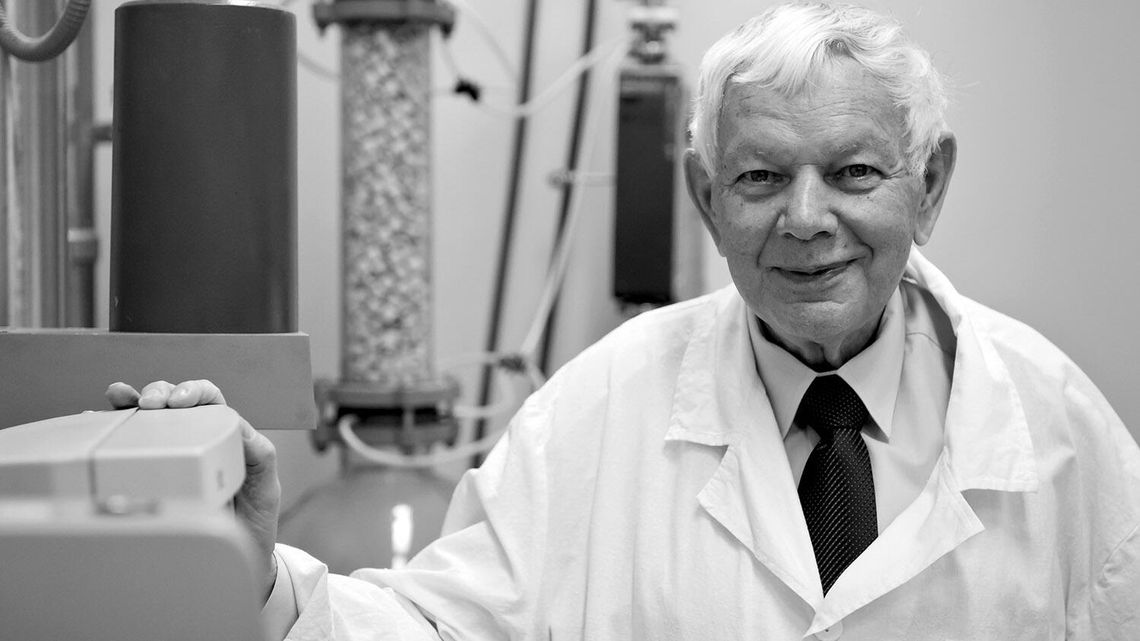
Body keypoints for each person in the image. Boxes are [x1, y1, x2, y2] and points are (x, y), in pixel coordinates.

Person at [110, 2, 1140, 639]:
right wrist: (259, 570)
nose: (806, 218)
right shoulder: (602, 405)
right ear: (704, 197)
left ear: (930, 184)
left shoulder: (1052, 421)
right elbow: (440, 626)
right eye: (761, 176)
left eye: (855, 172)